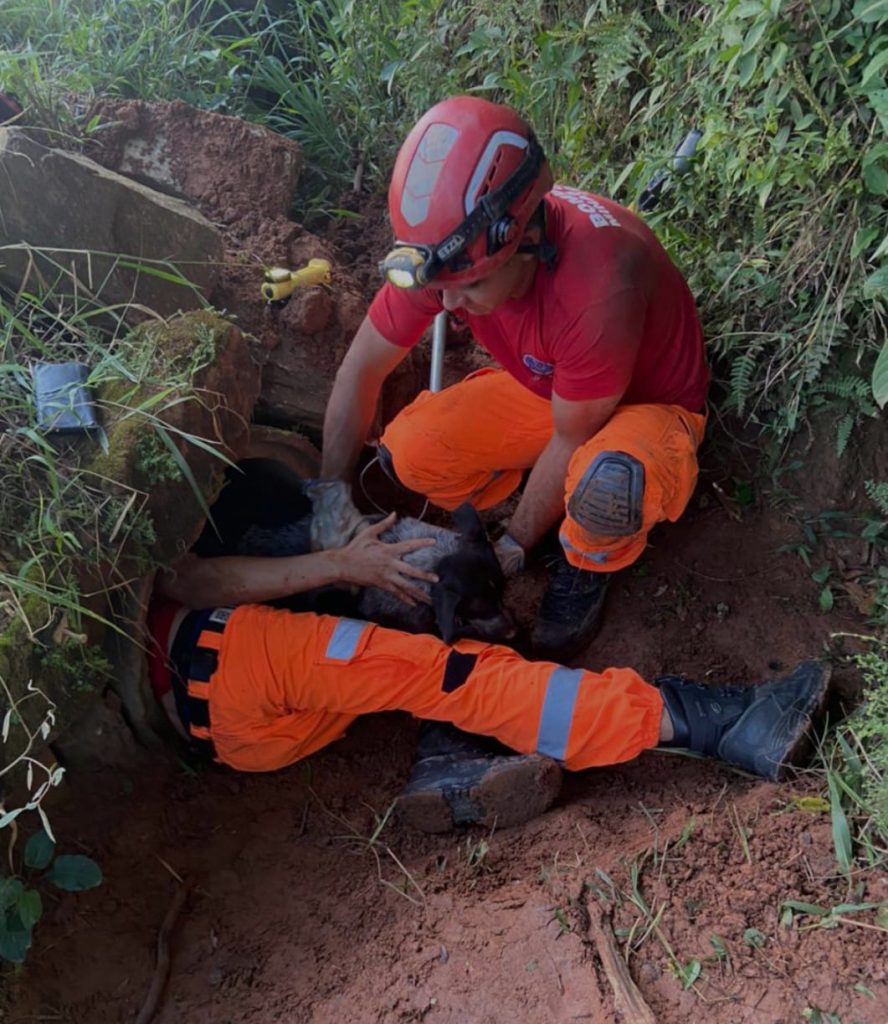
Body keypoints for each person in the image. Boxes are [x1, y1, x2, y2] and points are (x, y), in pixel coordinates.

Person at [149, 469, 828, 834]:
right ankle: (707, 719)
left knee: (406, 664)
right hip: (236, 660)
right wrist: (339, 565)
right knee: (452, 673)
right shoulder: (166, 534)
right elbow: (187, 579)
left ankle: (446, 763)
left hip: (239, 737)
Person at [321, 96, 709, 661]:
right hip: (556, 389)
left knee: (606, 482)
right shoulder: (450, 250)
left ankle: (584, 558)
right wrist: (329, 498)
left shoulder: (598, 289)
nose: (449, 301)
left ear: (525, 241)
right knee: (412, 449)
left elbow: (572, 436)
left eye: (471, 288)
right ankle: (543, 501)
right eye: (444, 286)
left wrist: (514, 544)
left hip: (649, 407)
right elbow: (360, 371)